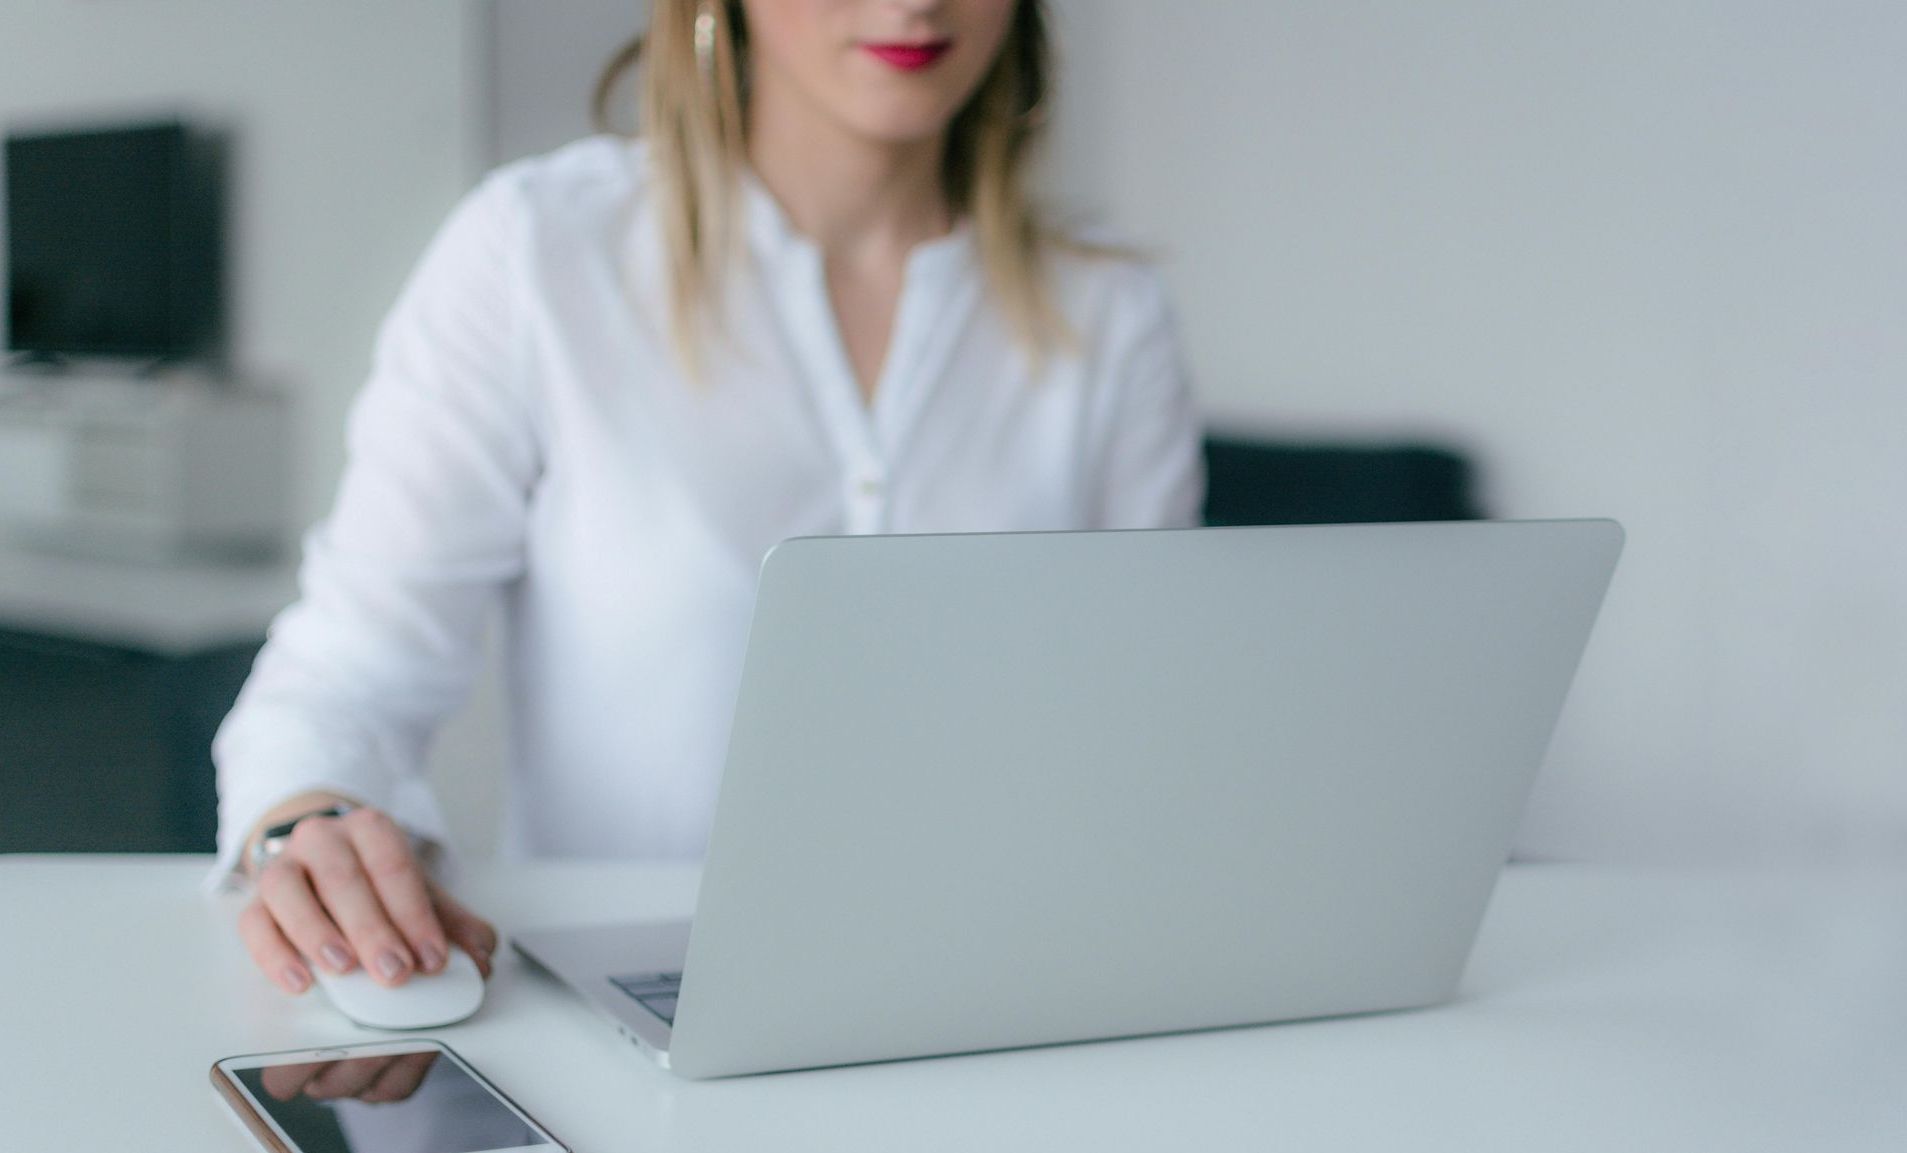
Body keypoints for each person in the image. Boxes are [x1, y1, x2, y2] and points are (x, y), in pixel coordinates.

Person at [214, 0, 1204, 998]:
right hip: (630, 1004)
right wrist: (308, 825)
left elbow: (1150, 730)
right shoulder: (537, 255)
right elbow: (345, 675)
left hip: (1002, 994)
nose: (914, 1)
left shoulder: (1109, 314)